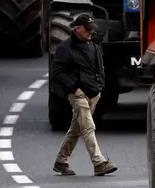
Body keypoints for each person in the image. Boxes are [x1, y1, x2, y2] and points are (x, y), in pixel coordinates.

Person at [50, 14, 118, 176]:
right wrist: (74, 88)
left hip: (94, 93)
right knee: (88, 127)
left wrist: (100, 86)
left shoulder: (94, 44)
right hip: (78, 94)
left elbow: (100, 66)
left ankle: (61, 161)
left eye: (91, 29)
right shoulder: (64, 48)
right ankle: (99, 162)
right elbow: (57, 73)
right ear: (77, 28)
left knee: (76, 128)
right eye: (87, 29)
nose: (90, 32)